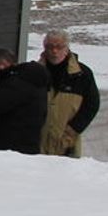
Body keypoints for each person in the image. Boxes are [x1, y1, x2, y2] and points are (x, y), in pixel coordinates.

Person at [0, 47, 48, 154]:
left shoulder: (15, 84)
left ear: (4, 64)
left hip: (8, 149)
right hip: (23, 146)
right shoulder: (27, 80)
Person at [38, 29, 100, 157]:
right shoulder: (35, 72)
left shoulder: (81, 74)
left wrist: (72, 131)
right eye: (50, 47)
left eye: (59, 47)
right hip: (38, 141)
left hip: (68, 142)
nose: (54, 51)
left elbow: (92, 105)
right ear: (44, 48)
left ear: (67, 48)